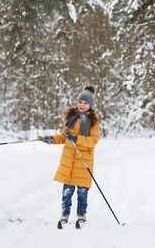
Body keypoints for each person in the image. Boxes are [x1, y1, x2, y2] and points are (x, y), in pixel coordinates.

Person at [42, 85, 100, 226]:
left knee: (82, 191)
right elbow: (63, 136)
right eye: (80, 102)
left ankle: (81, 214)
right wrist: (51, 139)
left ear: (90, 105)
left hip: (83, 160)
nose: (82, 105)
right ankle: (65, 214)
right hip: (69, 160)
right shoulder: (71, 118)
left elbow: (93, 141)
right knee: (67, 190)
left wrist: (77, 139)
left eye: (85, 103)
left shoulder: (93, 122)